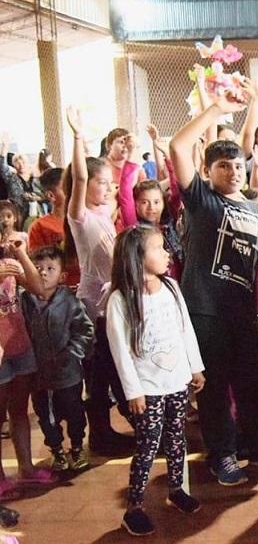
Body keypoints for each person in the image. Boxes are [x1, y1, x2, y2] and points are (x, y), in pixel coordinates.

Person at [169, 82, 258, 486]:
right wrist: (215, 110)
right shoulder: (201, 201)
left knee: (253, 381)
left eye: (238, 167)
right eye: (224, 167)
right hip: (206, 310)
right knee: (214, 387)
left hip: (243, 312)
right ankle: (223, 453)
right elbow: (179, 148)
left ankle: (257, 443)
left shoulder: (253, 208)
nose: (233, 172)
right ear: (209, 172)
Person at [106, 226, 206, 536]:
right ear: (137, 257)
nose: (167, 254)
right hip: (147, 389)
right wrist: (133, 391)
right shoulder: (121, 300)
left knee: (177, 438)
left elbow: (185, 329)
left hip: (176, 382)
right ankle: (134, 506)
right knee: (148, 446)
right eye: (158, 248)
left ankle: (176, 489)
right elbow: (120, 351)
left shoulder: (172, 289)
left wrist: (195, 367)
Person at [66, 107, 134, 454]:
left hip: (111, 305)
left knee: (110, 369)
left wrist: (122, 156)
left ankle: (116, 428)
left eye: (109, 183)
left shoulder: (104, 213)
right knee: (99, 374)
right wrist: (78, 137)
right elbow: (78, 178)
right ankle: (101, 435)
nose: (107, 188)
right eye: (101, 183)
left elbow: (122, 181)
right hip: (93, 308)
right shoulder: (79, 216)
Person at [24, 246, 94, 472]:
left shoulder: (71, 303)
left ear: (62, 276)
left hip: (68, 376)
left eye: (50, 268)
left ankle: (76, 447)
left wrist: (72, 353)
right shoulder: (26, 301)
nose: (43, 273)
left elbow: (85, 331)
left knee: (75, 413)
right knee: (46, 416)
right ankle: (56, 451)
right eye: (38, 268)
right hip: (40, 378)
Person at [0, 235, 54, 501]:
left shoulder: (9, 262)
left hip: (18, 343)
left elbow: (39, 288)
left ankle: (26, 467)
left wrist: (21, 255)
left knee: (19, 409)